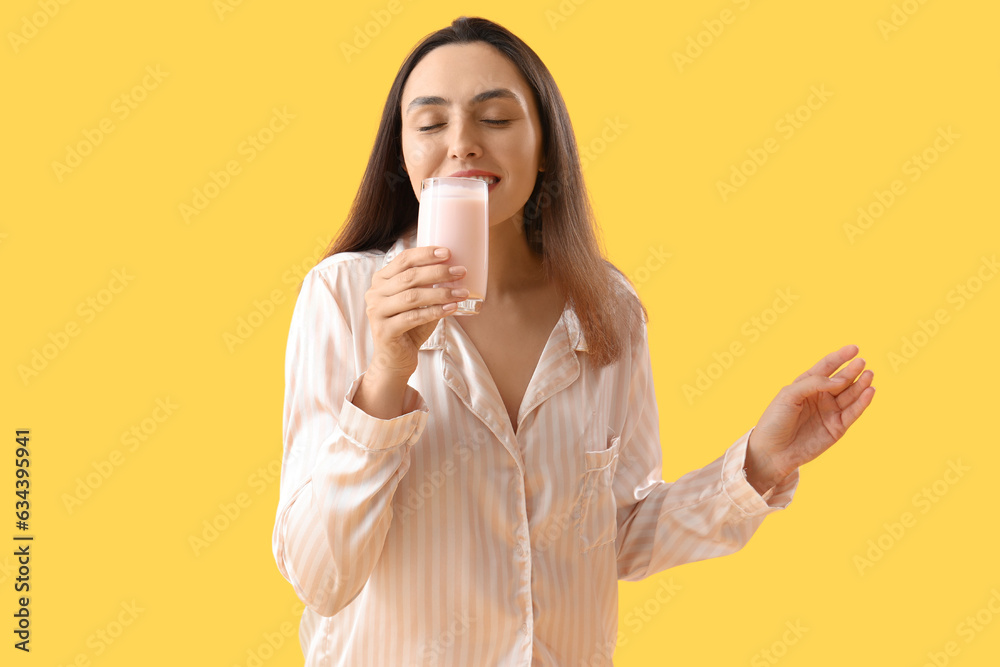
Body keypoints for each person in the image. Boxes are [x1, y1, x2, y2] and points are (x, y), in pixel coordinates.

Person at [271, 16, 875, 666]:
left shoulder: (607, 311)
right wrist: (387, 373)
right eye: (430, 123)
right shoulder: (341, 297)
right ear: (403, 155)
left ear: (545, 142)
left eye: (496, 118)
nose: (463, 143)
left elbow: (615, 534)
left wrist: (761, 462)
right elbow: (320, 575)